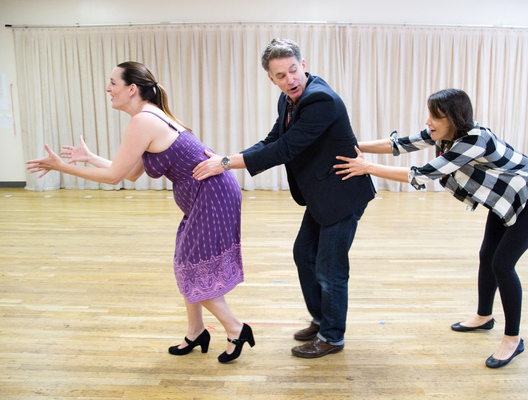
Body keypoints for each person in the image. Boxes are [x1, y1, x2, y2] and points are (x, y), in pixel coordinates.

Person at [26, 61, 254, 364]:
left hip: (211, 195)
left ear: (131, 89)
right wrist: (90, 158)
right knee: (185, 262)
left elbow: (113, 178)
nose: (108, 89)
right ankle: (196, 331)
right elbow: (129, 173)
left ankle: (237, 329)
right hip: (210, 193)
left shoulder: (143, 121)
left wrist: (61, 166)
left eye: (112, 83)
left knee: (193, 269)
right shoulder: (147, 118)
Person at [333, 88, 528, 368]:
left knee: (503, 264)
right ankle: (484, 316)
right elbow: (398, 145)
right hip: (505, 198)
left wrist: (366, 167)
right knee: (487, 256)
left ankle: (513, 339)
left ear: (454, 118)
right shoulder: (445, 136)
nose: (428, 122)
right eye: (429, 115)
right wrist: (351, 145)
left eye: (435, 116)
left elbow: (423, 175)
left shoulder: (474, 140)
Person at [192, 39, 376, 358]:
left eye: (293, 70)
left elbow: (285, 149)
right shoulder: (287, 100)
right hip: (322, 193)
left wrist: (225, 163)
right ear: (271, 78)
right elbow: (273, 139)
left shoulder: (321, 100)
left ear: (303, 65)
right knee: (304, 253)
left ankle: (332, 336)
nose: (290, 79)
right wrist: (231, 157)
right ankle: (322, 320)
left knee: (330, 268)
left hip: (342, 195)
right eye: (281, 75)